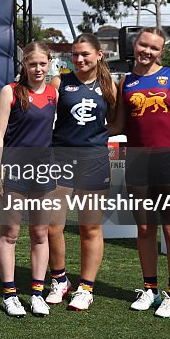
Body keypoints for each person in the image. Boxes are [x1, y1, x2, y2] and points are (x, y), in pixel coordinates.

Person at [111, 27, 170, 318]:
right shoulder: (125, 82)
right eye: (144, 45)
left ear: (161, 52)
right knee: (144, 229)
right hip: (137, 162)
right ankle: (150, 289)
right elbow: (118, 126)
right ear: (135, 45)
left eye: (154, 48)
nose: (147, 51)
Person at [45, 33, 117, 312]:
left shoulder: (108, 84)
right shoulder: (59, 81)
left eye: (85, 54)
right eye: (75, 54)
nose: (79, 59)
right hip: (60, 160)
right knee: (53, 225)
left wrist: (93, 140)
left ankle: (86, 287)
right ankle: (59, 280)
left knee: (90, 227)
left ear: (99, 54)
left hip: (95, 162)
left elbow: (117, 122)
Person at [0, 42, 57, 318]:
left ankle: (37, 293)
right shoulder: (10, 92)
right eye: (32, 64)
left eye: (43, 63)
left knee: (40, 234)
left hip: (44, 173)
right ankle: (10, 295)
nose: (38, 69)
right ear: (24, 65)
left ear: (49, 63)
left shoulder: (54, 93)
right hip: (15, 172)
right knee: (10, 234)